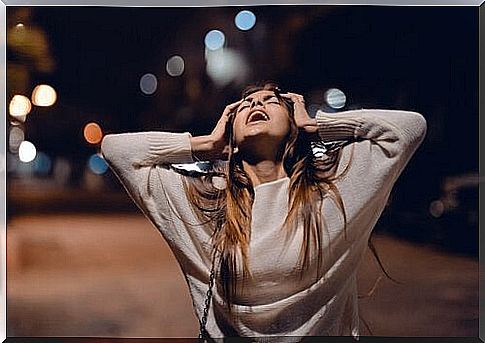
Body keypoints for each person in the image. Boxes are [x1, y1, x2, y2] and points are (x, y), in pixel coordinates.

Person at [101, 82, 427, 341]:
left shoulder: (334, 191)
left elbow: (408, 129)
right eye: (245, 105)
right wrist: (206, 144)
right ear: (231, 131)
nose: (256, 104)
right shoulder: (205, 199)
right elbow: (116, 150)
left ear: (292, 124)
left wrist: (315, 124)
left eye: (271, 101)